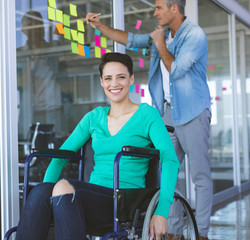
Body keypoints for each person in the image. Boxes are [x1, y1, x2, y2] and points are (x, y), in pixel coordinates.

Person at [15, 53, 180, 240]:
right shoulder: (94, 117)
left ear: (131, 79)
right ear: (102, 82)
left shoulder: (147, 114)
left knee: (61, 187)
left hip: (125, 201)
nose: (114, 84)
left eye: (121, 77)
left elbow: (170, 161)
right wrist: (46, 193)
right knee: (40, 190)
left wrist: (162, 210)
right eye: (108, 78)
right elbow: (61, 156)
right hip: (90, 198)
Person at [86, 0, 212, 239]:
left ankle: (202, 232)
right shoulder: (161, 35)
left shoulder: (194, 35)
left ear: (175, 7)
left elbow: (176, 69)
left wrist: (160, 43)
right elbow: (130, 39)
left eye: (159, 8)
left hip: (193, 112)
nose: (154, 13)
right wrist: (100, 27)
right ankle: (172, 231)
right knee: (167, 170)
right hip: (166, 112)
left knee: (200, 176)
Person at [17, 11, 62, 140]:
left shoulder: (54, 48)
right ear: (24, 30)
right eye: (31, 24)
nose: (36, 28)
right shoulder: (19, 54)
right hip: (31, 110)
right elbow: (20, 83)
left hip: (54, 108)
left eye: (39, 24)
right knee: (30, 146)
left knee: (58, 145)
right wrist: (34, 57)